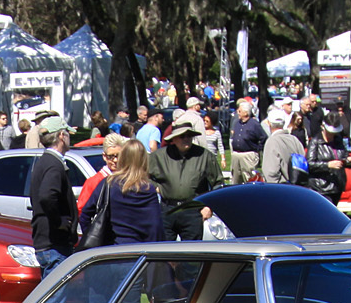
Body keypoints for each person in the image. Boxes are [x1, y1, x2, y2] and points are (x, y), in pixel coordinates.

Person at [26, 113, 78, 303]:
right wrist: (61, 223)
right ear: (62, 136)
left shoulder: (44, 162)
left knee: (49, 297)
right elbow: (47, 197)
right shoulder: (54, 165)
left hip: (46, 240)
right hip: (54, 242)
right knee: (54, 300)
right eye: (68, 135)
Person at [149, 111, 223, 239]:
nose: (186, 139)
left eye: (189, 135)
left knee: (192, 255)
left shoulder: (204, 156)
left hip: (193, 210)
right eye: (182, 136)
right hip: (167, 209)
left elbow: (218, 183)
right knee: (164, 254)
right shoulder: (159, 156)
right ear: (174, 139)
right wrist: (155, 187)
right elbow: (144, 176)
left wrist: (209, 207)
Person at [78, 138, 165, 247]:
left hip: (113, 249)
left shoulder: (109, 183)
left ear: (122, 157)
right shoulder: (148, 189)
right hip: (141, 251)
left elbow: (85, 214)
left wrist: (96, 239)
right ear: (143, 160)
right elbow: (156, 227)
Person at [261, 111, 306, 185]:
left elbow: (270, 172)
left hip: (281, 188)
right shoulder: (294, 139)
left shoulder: (271, 142)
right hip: (298, 187)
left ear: (269, 123)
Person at [230, 99, 266, 183]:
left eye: (239, 111)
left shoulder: (254, 124)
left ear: (246, 113)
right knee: (236, 180)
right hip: (236, 155)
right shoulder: (237, 123)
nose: (237, 112)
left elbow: (263, 137)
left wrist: (257, 149)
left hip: (248, 156)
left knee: (249, 178)